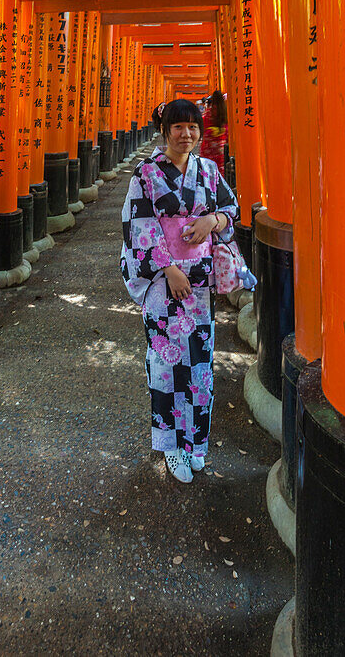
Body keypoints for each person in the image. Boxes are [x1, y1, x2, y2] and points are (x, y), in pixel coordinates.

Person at [120, 98, 238, 484]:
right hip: (163, 283)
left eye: (192, 127)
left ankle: (195, 444)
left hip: (200, 283)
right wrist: (168, 268)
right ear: (164, 131)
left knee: (200, 365)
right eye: (178, 127)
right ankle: (171, 447)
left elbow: (232, 209)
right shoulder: (146, 174)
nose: (186, 135)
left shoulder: (208, 170)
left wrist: (212, 219)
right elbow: (137, 224)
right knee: (168, 365)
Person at [201, 89, 228, 175]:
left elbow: (203, 126)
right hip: (222, 145)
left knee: (208, 170)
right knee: (221, 169)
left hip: (209, 146)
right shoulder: (225, 112)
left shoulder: (209, 112)